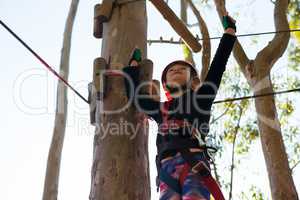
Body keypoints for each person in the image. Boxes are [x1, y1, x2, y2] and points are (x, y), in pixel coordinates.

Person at [122, 14, 237, 200]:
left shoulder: (201, 98)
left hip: (194, 164)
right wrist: (133, 66)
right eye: (171, 71)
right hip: (167, 170)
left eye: (182, 70)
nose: (175, 70)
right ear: (165, 85)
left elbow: (217, 67)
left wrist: (229, 32)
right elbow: (135, 97)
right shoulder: (161, 110)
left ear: (193, 81)